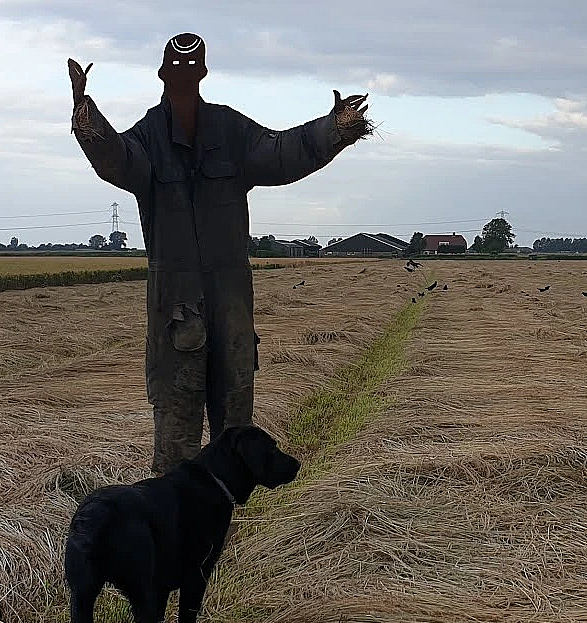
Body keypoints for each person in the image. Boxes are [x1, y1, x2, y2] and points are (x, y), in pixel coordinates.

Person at [68, 33, 372, 476]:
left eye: (193, 69)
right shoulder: (148, 138)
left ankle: (228, 520)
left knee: (235, 421)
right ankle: (176, 525)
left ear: (204, 73)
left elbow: (282, 152)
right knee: (176, 425)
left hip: (231, 302)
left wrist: (335, 128)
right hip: (176, 307)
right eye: (177, 68)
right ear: (163, 73)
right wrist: (86, 116)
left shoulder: (232, 131)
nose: (185, 76)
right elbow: (116, 159)